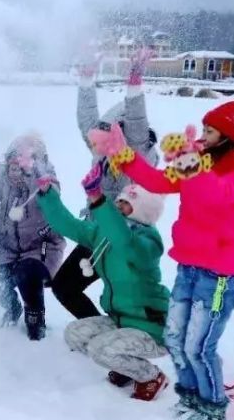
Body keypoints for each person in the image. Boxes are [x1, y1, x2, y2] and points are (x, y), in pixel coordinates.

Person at [89, 90, 234, 420]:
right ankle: (190, 397)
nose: (202, 137)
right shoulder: (199, 161)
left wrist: (193, 164)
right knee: (175, 338)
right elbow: (157, 181)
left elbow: (218, 193)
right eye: (202, 129)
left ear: (230, 137)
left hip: (220, 274)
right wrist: (122, 154)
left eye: (210, 132)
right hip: (189, 266)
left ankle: (213, 407)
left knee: (199, 345)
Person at [38, 170, 171, 400]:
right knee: (75, 334)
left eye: (126, 204)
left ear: (142, 211)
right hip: (120, 321)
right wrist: (48, 195)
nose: (118, 205)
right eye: (118, 200)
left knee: (100, 349)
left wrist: (99, 200)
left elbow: (125, 242)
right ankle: (126, 367)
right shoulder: (104, 235)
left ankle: (151, 376)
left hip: (153, 328)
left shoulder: (147, 243)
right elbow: (70, 226)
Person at [53, 50, 159, 322]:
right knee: (64, 287)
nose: (102, 139)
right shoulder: (102, 150)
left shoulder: (138, 152)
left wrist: (134, 81)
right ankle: (99, 331)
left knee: (127, 301)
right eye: (102, 133)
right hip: (96, 233)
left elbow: (136, 120)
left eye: (111, 131)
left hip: (127, 239)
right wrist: (87, 80)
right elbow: (86, 122)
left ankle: (136, 337)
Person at [0, 134, 64, 340]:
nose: (16, 166)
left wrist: (34, 175)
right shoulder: (4, 182)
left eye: (23, 160)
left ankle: (35, 317)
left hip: (41, 248)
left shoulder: (43, 180)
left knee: (26, 273)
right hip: (8, 249)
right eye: (13, 160)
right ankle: (12, 307)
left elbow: (53, 191)